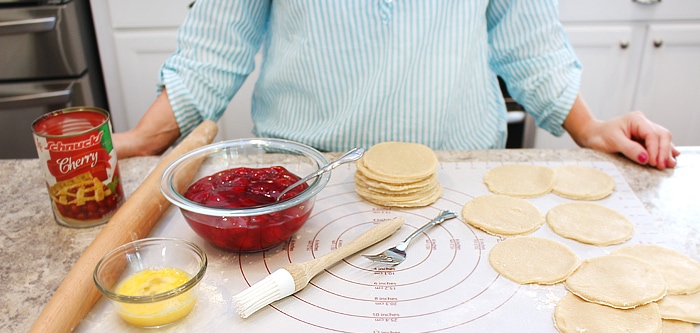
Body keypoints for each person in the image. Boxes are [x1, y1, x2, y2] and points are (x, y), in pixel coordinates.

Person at [114, 0, 679, 170]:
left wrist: (590, 127)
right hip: (306, 181)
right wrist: (142, 139)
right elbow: (216, 48)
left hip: (459, 177)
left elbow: (528, 39)